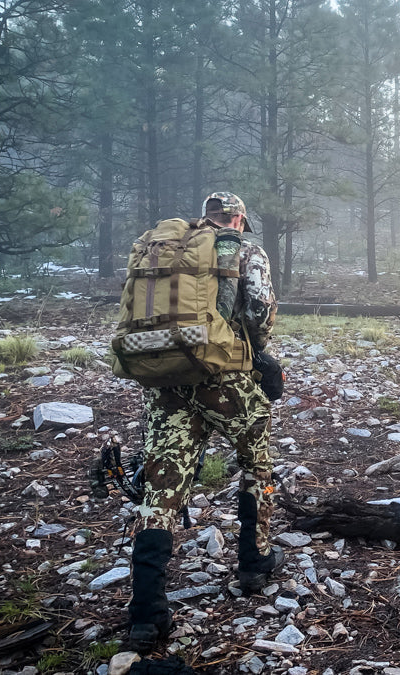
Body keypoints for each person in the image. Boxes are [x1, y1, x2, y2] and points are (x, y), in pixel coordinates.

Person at [124, 192, 285, 654]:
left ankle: (145, 615)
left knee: (160, 490)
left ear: (204, 215)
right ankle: (255, 563)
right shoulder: (242, 248)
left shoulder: (164, 249)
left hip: (168, 379)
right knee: (257, 464)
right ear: (238, 217)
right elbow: (258, 308)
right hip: (225, 377)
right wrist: (257, 355)